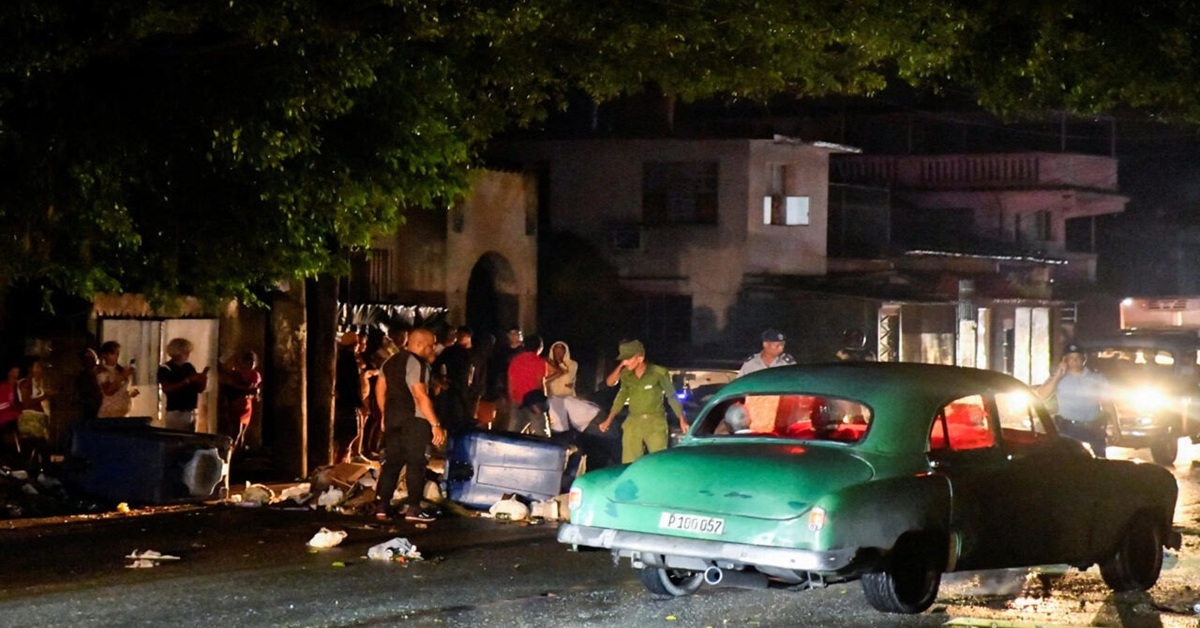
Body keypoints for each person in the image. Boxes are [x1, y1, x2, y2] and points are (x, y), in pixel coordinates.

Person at [373, 327, 446, 523]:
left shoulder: (389, 361)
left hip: (393, 420)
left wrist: (384, 414)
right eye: (430, 345)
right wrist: (435, 423)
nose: (432, 349)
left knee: (392, 464)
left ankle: (382, 507)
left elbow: (380, 389)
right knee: (416, 463)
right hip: (414, 420)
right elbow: (420, 395)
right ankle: (414, 509)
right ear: (419, 344)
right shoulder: (417, 363)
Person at [598, 339, 687, 463]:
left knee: (658, 462)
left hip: (655, 422)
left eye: (628, 359)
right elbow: (618, 394)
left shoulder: (658, 373)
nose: (625, 362)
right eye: (623, 359)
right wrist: (609, 419)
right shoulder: (626, 375)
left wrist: (682, 419)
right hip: (633, 422)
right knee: (629, 463)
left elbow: (671, 396)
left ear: (640, 358)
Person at [1037, 342, 1114, 458]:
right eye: (1071, 358)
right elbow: (1041, 396)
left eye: (1078, 357)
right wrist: (1057, 376)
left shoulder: (1097, 378)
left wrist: (1116, 427)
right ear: (1065, 360)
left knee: (1100, 463)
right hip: (1069, 429)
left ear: (1084, 359)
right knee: (1070, 462)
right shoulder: (1058, 378)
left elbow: (1108, 403)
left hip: (1094, 428)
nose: (1074, 361)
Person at [507, 335, 560, 436]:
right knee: (541, 433)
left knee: (513, 433)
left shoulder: (515, 360)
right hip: (534, 401)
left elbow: (510, 381)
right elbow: (540, 383)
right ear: (540, 347)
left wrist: (511, 398)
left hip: (517, 400)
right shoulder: (539, 362)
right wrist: (543, 402)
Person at [157, 338, 209, 431]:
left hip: (191, 410)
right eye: (185, 352)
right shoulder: (166, 368)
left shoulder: (188, 367)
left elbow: (199, 389)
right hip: (176, 411)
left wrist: (202, 380)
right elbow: (167, 388)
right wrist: (187, 380)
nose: (188, 355)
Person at [433, 326, 475, 437]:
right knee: (449, 419)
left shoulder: (473, 354)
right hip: (450, 391)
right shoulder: (450, 351)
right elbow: (435, 367)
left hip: (464, 391)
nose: (458, 337)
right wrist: (441, 380)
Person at [333, 331, 365, 463]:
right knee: (348, 434)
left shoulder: (345, 359)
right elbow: (351, 383)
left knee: (346, 436)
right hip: (347, 402)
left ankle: (341, 462)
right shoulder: (348, 360)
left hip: (346, 401)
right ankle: (339, 464)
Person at [218, 351, 261, 447]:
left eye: (252, 363)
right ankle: (233, 451)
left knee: (241, 432)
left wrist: (234, 386)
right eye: (247, 362)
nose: (250, 365)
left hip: (245, 404)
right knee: (236, 430)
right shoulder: (237, 373)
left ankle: (238, 453)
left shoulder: (254, 375)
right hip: (237, 404)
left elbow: (249, 388)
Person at [487, 328, 524, 431]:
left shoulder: (524, 352)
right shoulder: (503, 352)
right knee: (501, 418)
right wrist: (500, 390)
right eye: (512, 334)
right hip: (504, 387)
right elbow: (499, 371)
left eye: (518, 334)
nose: (515, 336)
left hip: (519, 389)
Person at [96, 341, 138, 418]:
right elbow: (108, 391)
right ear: (105, 355)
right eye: (113, 353)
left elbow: (123, 389)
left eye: (118, 353)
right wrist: (122, 376)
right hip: (109, 415)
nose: (117, 356)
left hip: (123, 414)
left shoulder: (120, 369)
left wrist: (130, 392)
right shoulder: (102, 371)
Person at [76, 348, 102, 421]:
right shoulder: (82, 376)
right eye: (86, 359)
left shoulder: (101, 374)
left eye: (90, 359)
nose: (88, 362)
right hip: (89, 408)